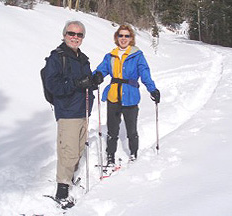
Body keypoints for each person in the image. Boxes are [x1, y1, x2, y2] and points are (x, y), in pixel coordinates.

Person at [43, 20, 103, 205]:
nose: (75, 37)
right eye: (71, 33)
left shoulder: (83, 58)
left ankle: (70, 178)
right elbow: (52, 85)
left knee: (78, 149)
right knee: (68, 151)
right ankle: (62, 190)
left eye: (79, 35)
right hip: (67, 111)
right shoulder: (56, 58)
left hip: (83, 110)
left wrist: (94, 80)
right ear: (64, 35)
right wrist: (76, 84)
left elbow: (86, 83)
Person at [93, 24, 160, 165]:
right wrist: (96, 76)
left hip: (130, 97)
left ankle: (133, 153)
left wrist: (152, 89)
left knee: (131, 129)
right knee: (112, 129)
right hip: (113, 96)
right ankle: (110, 155)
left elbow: (145, 73)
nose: (123, 38)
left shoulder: (137, 55)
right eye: (121, 35)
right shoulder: (110, 55)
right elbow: (101, 69)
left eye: (126, 36)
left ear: (131, 38)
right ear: (116, 37)